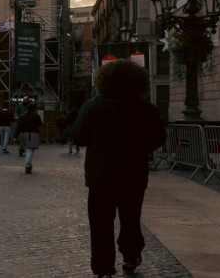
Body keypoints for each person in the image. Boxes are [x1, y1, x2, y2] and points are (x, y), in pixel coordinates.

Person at [68, 60, 166, 278]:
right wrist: (140, 147)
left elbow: (79, 137)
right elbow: (159, 137)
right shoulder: (144, 108)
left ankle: (103, 269)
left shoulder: (92, 106)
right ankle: (131, 256)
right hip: (133, 175)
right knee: (131, 218)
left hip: (100, 175)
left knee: (100, 223)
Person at [17, 102, 42, 174]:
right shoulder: (36, 116)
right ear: (34, 109)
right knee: (30, 150)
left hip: (23, 134)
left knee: (27, 149)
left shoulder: (23, 116)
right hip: (32, 134)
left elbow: (19, 126)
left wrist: (16, 135)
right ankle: (28, 164)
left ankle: (28, 164)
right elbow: (40, 124)